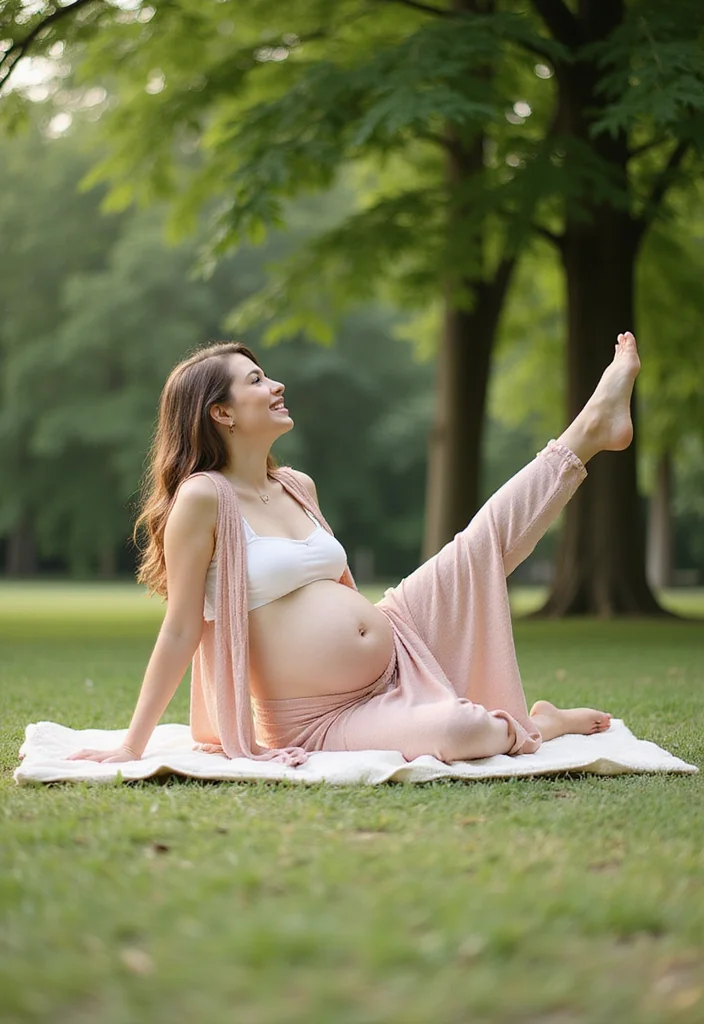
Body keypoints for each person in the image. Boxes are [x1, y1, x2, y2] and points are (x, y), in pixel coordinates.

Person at [67, 332, 642, 766]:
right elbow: (180, 629)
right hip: (321, 716)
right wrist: (132, 745)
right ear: (221, 413)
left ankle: (591, 430)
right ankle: (539, 725)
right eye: (257, 380)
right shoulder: (202, 499)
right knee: (459, 732)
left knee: (479, 544)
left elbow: (329, 591)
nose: (276, 386)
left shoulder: (297, 486)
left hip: (399, 637)